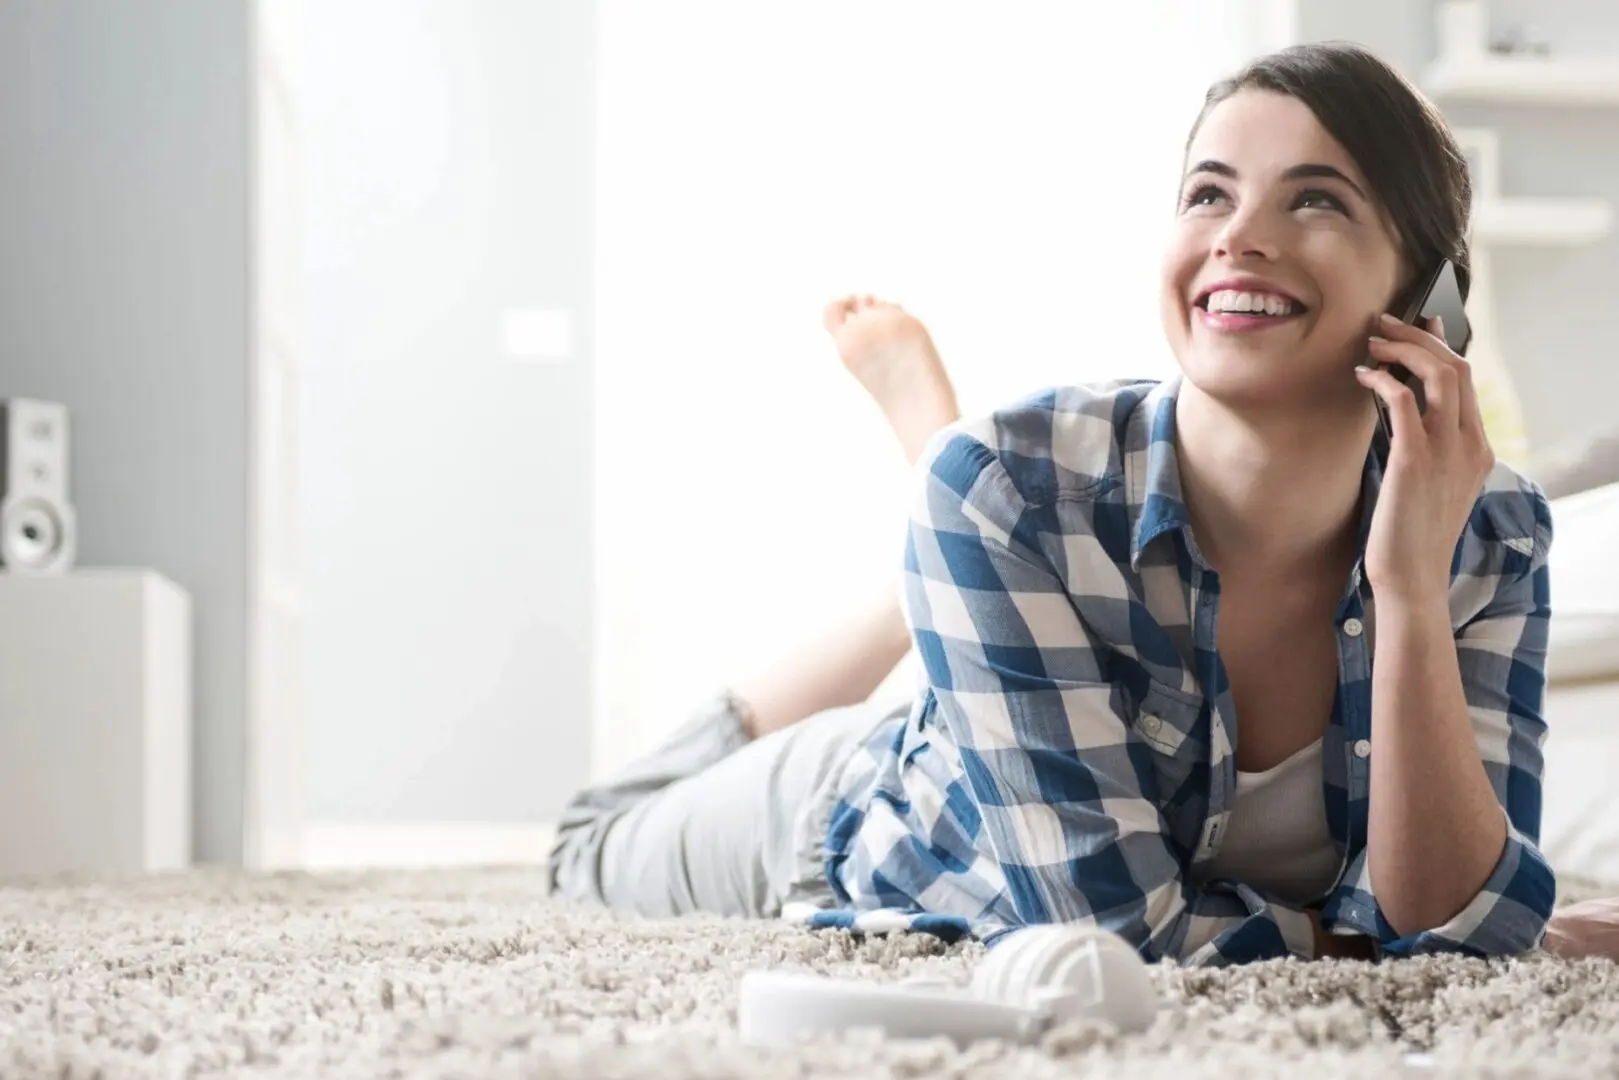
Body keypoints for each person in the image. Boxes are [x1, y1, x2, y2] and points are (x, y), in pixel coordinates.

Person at [550, 41, 1619, 965]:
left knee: (968, 504)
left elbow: (1446, 918)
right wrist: (1394, 938)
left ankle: (928, 575)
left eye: (1314, 199)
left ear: (1424, 303)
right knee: (586, 847)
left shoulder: (1490, 534)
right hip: (845, 817)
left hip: (1013, 546)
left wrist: (1405, 591)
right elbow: (1115, 936)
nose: (1236, 236)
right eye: (1207, 193)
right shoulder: (1012, 485)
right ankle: (920, 564)